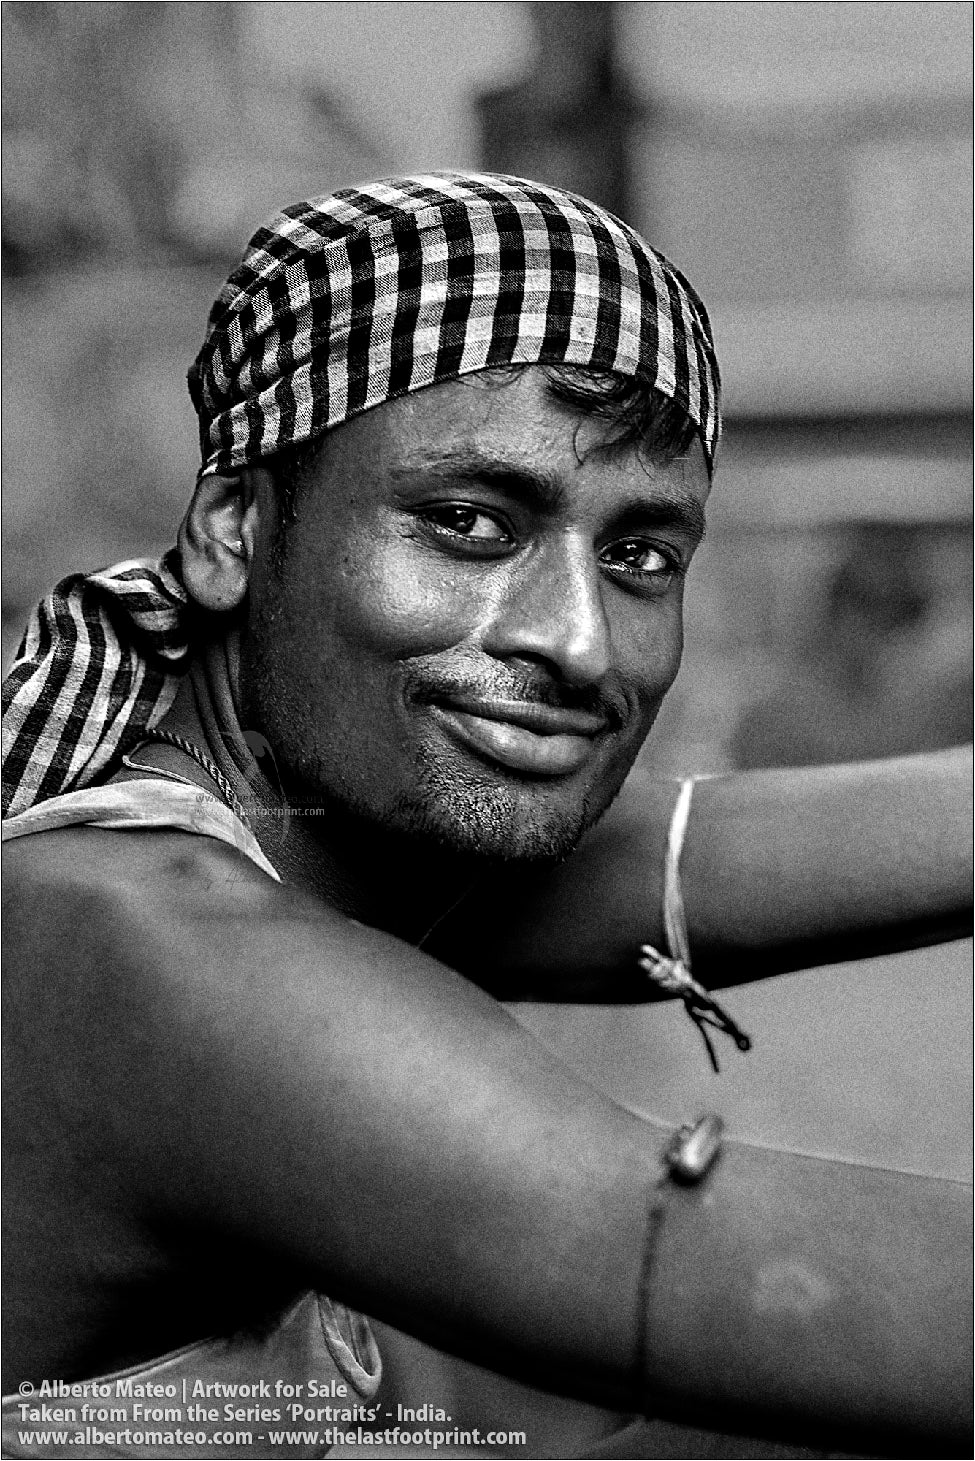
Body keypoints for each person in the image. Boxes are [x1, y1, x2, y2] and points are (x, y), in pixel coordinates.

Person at [2, 174, 970, 1461]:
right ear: (235, 527)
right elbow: (759, 1282)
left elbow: (690, 857)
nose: (580, 642)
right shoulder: (159, 952)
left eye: (639, 556)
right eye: (467, 524)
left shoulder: (301, 839)